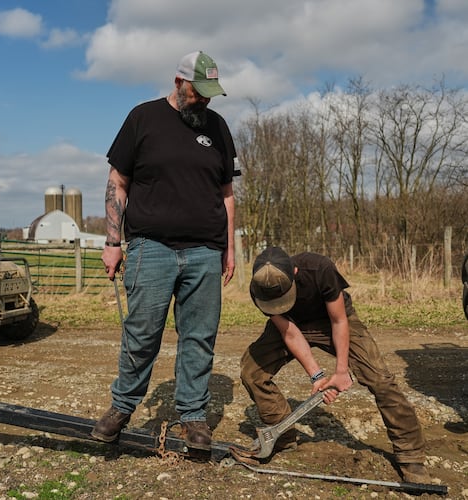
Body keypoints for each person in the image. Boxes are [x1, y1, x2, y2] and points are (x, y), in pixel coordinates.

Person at [91, 51, 237, 451]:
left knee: (199, 337)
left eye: (210, 94)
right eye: (198, 92)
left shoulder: (219, 128)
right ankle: (122, 406)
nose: (204, 101)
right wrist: (112, 241)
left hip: (205, 251)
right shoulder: (143, 118)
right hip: (149, 248)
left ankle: (193, 417)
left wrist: (229, 247)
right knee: (141, 334)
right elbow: (117, 182)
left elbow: (226, 193)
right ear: (178, 83)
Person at [240, 246, 430, 484]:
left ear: (295, 272)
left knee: (380, 379)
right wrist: (316, 375)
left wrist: (341, 371)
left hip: (334, 321)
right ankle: (281, 435)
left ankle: (410, 455)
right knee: (251, 371)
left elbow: (339, 321)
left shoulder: (320, 269)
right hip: (294, 325)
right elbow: (290, 333)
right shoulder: (259, 289)